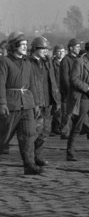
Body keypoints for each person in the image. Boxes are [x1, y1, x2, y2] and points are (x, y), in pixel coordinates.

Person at [0, 32, 42, 175]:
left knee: (29, 135)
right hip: (11, 104)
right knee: (3, 136)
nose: (25, 47)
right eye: (22, 45)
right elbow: (0, 84)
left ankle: (29, 165)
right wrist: (2, 103)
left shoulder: (28, 62)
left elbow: (32, 85)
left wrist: (36, 104)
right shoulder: (4, 62)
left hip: (27, 104)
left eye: (26, 45)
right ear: (14, 46)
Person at [29, 36, 60, 167]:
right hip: (35, 102)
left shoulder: (48, 63)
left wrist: (56, 100)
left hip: (47, 101)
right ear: (35, 49)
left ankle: (38, 155)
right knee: (34, 131)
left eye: (47, 49)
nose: (46, 51)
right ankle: (30, 157)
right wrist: (33, 103)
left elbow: (53, 82)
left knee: (46, 130)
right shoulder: (28, 63)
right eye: (43, 49)